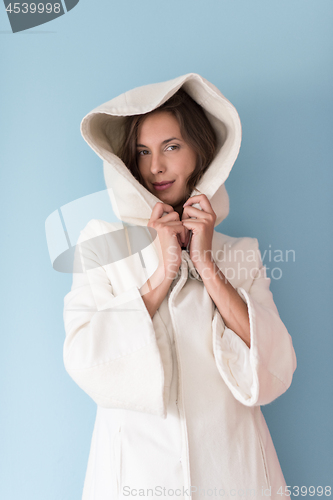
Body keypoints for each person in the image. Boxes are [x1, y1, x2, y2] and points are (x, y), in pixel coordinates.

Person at [63, 73, 297, 500]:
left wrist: (206, 264)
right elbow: (86, 359)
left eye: (172, 147)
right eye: (143, 152)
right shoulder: (100, 243)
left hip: (235, 468)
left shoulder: (241, 252)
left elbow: (276, 367)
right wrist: (163, 272)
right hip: (134, 470)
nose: (156, 167)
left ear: (199, 153)